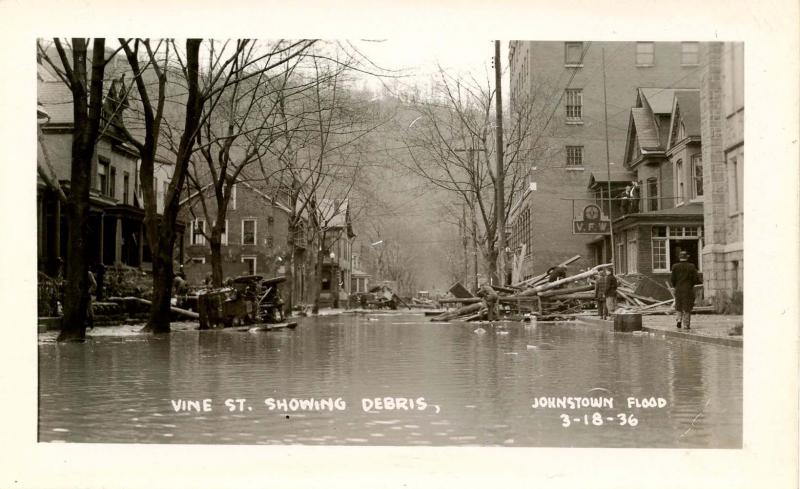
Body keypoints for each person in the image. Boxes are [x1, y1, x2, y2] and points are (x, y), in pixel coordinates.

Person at [671, 251, 701, 330]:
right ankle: (686, 324)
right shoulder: (691, 266)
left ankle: (679, 320)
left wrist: (675, 286)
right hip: (688, 289)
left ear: (679, 257)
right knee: (687, 307)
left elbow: (672, 279)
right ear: (687, 257)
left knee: (678, 305)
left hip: (678, 289)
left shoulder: (675, 266)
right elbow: (696, 279)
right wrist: (692, 284)